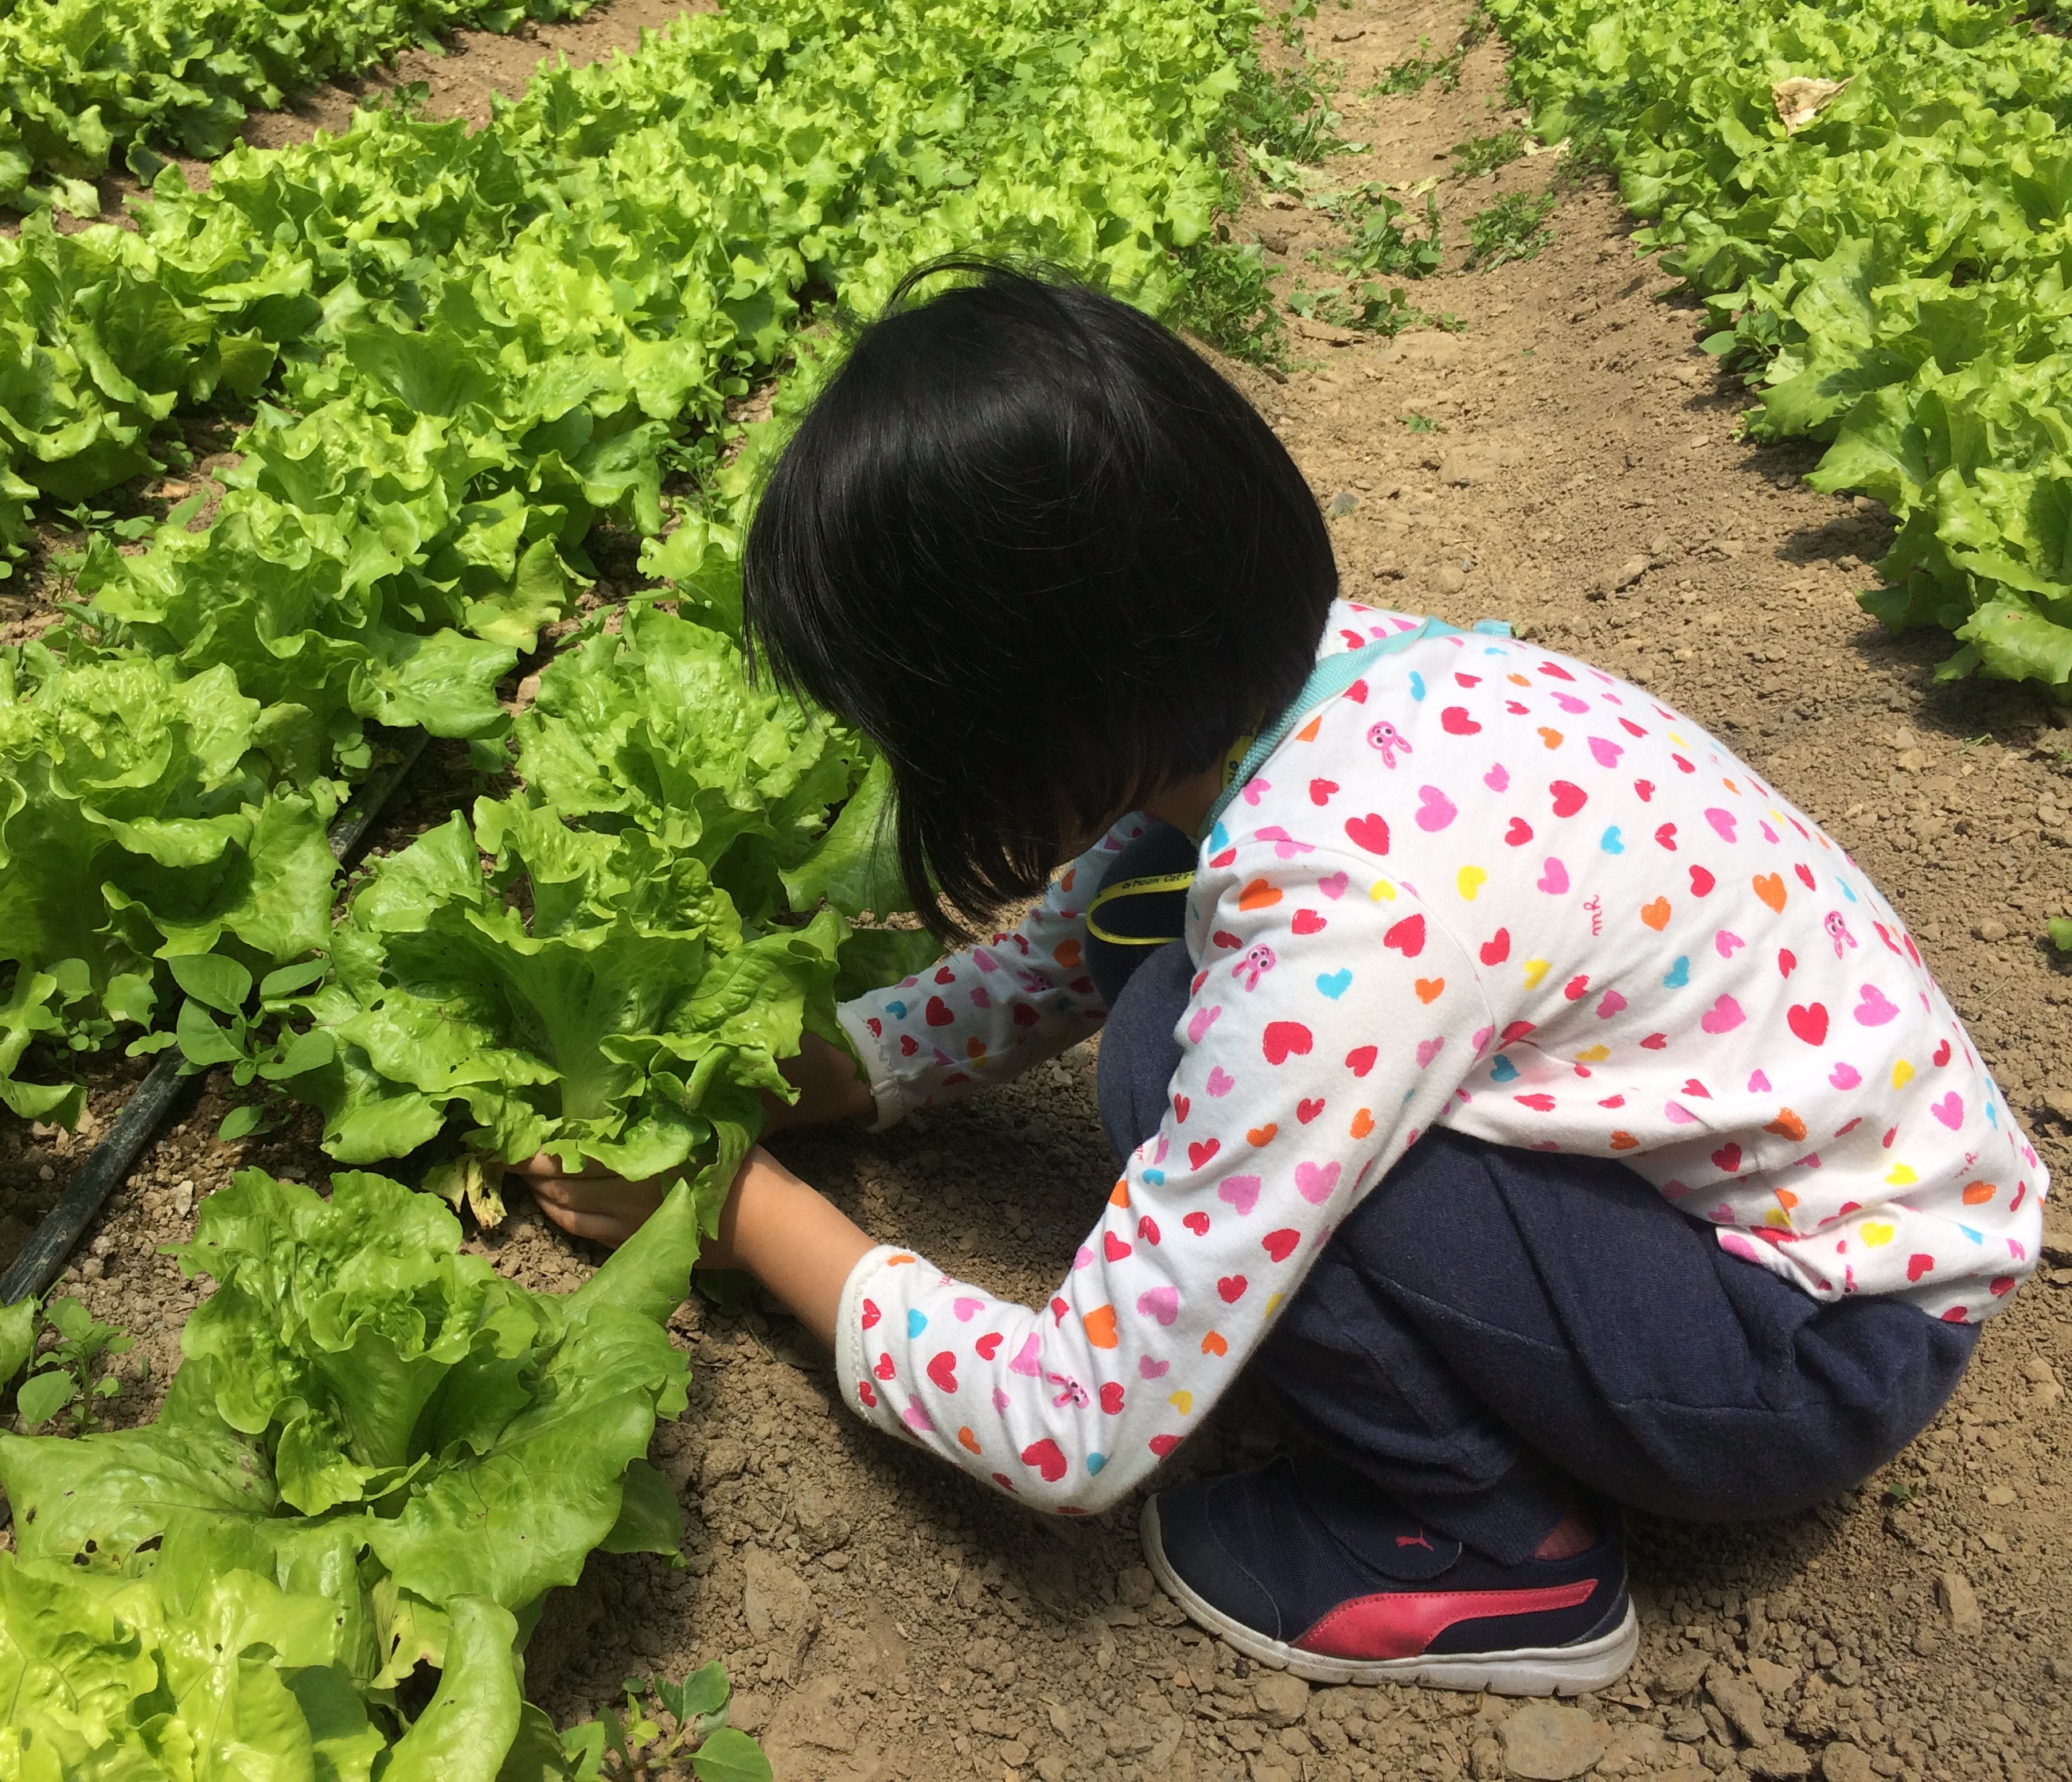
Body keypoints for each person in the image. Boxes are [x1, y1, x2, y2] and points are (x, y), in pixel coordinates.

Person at [518, 259, 2045, 1694]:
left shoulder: (1339, 919)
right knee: (1159, 1000)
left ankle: (1502, 1549)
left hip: (1808, 1352)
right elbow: (1090, 933)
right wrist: (847, 1068)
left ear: (1038, 720)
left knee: (1169, 1062)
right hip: (1827, 1222)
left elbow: (1073, 1429)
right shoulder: (1324, 688)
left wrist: (752, 1223)